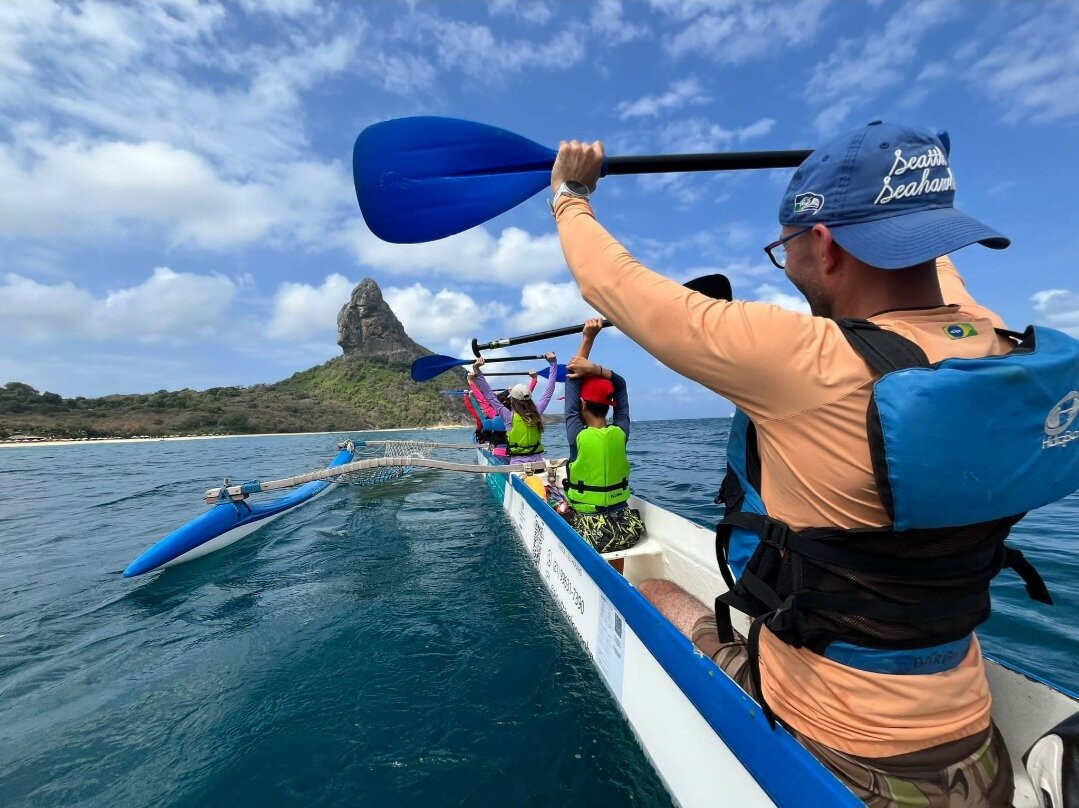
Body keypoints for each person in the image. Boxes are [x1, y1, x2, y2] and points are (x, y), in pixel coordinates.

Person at [545, 122, 1076, 806]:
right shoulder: (993, 346)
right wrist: (917, 185)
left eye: (784, 250)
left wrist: (570, 192)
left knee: (656, 593)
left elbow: (612, 283)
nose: (786, 265)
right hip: (977, 747)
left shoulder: (804, 360)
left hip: (842, 753)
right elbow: (940, 268)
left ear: (822, 245)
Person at [562, 318, 644, 561]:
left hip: (591, 533)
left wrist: (588, 338)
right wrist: (595, 369)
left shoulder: (577, 434)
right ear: (611, 407)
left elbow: (571, 380)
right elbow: (621, 385)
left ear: (582, 404)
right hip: (626, 529)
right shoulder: (621, 432)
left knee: (559, 509)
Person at [472, 352, 557, 463]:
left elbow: (489, 396)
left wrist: (477, 371)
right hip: (538, 462)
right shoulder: (537, 411)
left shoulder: (508, 416)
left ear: (513, 400)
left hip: (517, 463)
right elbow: (549, 391)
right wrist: (553, 364)